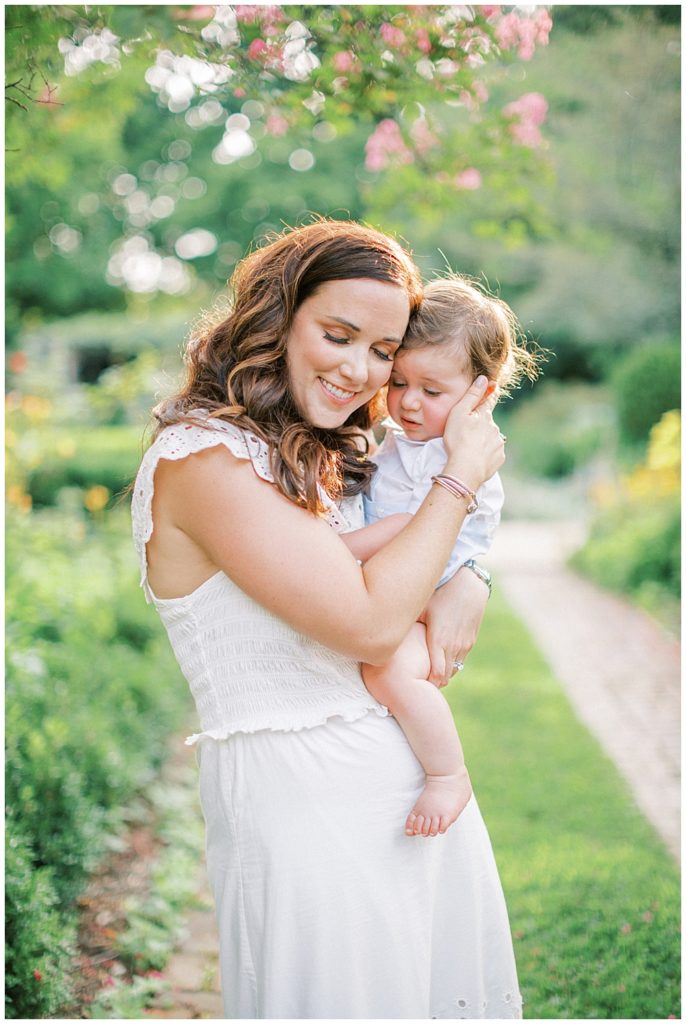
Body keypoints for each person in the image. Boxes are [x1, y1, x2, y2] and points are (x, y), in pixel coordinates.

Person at [131, 220, 522, 1019]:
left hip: (407, 789)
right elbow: (375, 624)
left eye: (383, 351)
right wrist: (460, 480)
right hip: (302, 805)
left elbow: (406, 561)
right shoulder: (204, 460)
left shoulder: (312, 452)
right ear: (277, 317)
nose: (360, 371)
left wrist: (473, 572)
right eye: (338, 335)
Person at [340, 275, 538, 841]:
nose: (407, 401)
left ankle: (448, 773)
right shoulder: (410, 440)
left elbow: (412, 527)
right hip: (401, 582)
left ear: (483, 391)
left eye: (431, 389)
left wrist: (340, 552)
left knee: (390, 672)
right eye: (399, 381)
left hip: (425, 591)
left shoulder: (461, 453)